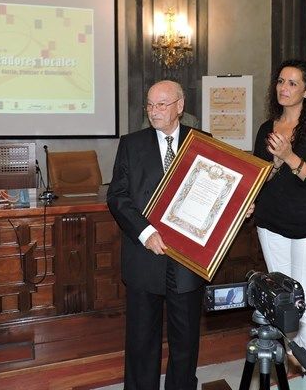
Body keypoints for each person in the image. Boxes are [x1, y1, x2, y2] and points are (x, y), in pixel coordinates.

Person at [107, 80, 205, 390]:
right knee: (141, 340)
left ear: (180, 106)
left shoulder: (203, 143)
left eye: (161, 104)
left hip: (188, 260)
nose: (153, 111)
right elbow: (117, 197)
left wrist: (239, 207)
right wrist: (145, 232)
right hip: (144, 255)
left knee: (185, 341)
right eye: (150, 105)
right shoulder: (131, 144)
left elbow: (219, 194)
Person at [253, 59, 306, 360]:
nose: (283, 88)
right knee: (282, 299)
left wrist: (289, 156)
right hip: (271, 224)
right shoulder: (267, 128)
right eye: (280, 81)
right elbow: (259, 178)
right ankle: (288, 362)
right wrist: (275, 164)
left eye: (292, 83)